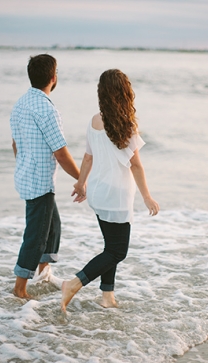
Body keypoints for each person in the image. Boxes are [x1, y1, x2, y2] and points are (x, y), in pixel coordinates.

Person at [61, 69, 160, 311]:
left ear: (102, 93)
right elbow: (135, 164)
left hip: (97, 192)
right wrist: (147, 196)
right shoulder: (126, 124)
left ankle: (107, 297)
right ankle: (74, 283)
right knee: (118, 251)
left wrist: (81, 183)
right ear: (124, 92)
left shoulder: (94, 120)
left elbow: (87, 158)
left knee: (110, 247)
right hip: (117, 196)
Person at [10, 54, 80, 299]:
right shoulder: (47, 110)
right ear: (53, 78)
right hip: (39, 182)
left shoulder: (20, 104)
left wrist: (24, 164)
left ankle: (44, 273)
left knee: (52, 227)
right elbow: (60, 153)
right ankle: (19, 289)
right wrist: (82, 179)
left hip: (27, 176)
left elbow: (15, 144)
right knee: (37, 236)